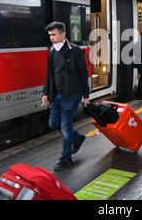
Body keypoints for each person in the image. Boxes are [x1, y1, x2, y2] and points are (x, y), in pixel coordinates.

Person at [42, 22, 90, 171]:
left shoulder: (75, 50)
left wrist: (86, 95)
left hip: (72, 95)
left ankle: (66, 158)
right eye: (50, 35)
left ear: (63, 34)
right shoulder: (51, 51)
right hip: (56, 94)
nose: (51, 38)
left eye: (54, 34)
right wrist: (45, 93)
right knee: (53, 123)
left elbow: (83, 73)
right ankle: (78, 138)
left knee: (65, 126)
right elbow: (49, 74)